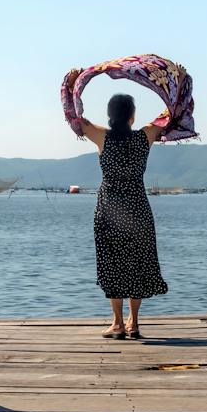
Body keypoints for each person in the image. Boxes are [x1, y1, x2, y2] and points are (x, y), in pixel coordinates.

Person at [81, 92, 169, 338]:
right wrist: (178, 80)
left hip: (109, 209)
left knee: (112, 264)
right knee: (138, 263)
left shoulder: (101, 136)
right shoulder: (146, 136)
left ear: (110, 116)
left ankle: (118, 323)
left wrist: (72, 82)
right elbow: (171, 114)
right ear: (132, 116)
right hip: (138, 209)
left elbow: (76, 119)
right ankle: (134, 323)